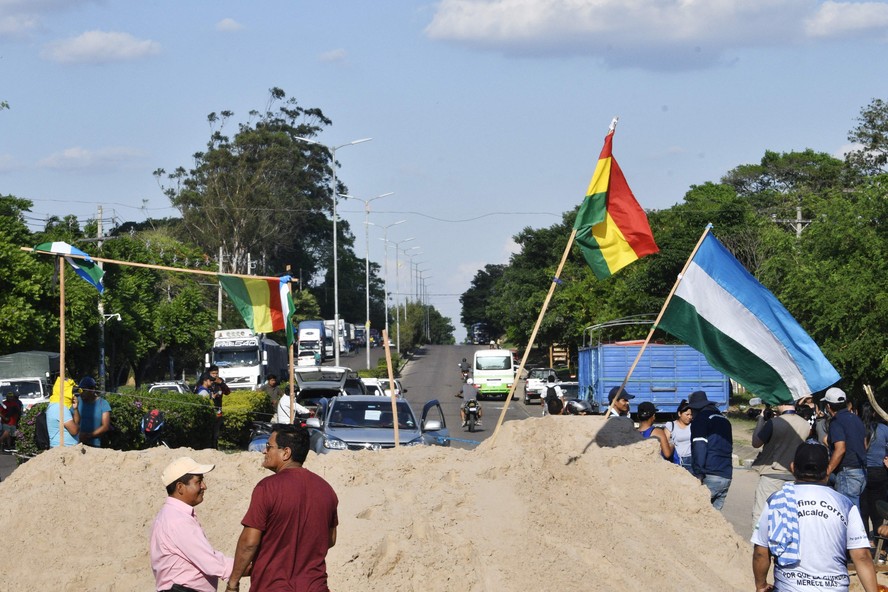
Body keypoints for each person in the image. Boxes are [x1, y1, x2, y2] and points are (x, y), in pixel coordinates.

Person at [751, 442, 877, 592]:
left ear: (792, 467)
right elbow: (862, 556)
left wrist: (761, 585)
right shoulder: (845, 504)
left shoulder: (777, 502)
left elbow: (761, 552)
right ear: (828, 469)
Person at [228, 424, 339, 592]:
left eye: (269, 446)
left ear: (286, 452)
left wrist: (233, 582)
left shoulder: (267, 488)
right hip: (315, 586)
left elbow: (249, 543)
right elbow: (330, 540)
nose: (264, 451)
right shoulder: (326, 490)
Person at [150, 456, 235, 592]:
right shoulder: (177, 519)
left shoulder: (170, 515)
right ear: (180, 487)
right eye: (198, 482)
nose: (204, 486)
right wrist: (251, 567)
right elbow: (210, 563)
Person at [750, 400, 811, 526]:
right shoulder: (805, 425)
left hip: (771, 474)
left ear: (781, 404)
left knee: (762, 514)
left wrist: (761, 419)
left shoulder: (774, 423)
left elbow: (756, 443)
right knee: (788, 515)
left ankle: (759, 544)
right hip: (793, 475)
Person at [824, 387, 867, 512]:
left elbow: (840, 448)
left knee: (847, 514)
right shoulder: (856, 419)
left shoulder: (836, 421)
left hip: (847, 473)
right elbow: (864, 444)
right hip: (861, 471)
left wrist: (828, 470)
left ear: (828, 406)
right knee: (854, 512)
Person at [689, 390, 733, 510]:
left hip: (710, 475)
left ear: (696, 408)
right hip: (726, 475)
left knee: (698, 515)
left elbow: (700, 447)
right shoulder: (724, 420)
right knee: (715, 521)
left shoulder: (701, 420)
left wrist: (698, 473)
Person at [860, 404, 888, 540]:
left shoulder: (859, 429)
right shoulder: (883, 429)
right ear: (875, 414)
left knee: (863, 510)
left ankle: (865, 541)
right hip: (880, 472)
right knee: (878, 509)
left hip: (862, 471)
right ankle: (879, 541)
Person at [77, 376, 111, 448]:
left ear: (92, 390)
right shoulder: (77, 402)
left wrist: (89, 436)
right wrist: (79, 435)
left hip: (95, 445)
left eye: (83, 390)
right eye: (80, 390)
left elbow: (105, 426)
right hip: (78, 443)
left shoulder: (103, 404)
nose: (81, 393)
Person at [47, 376, 79, 447]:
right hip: (62, 449)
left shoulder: (61, 406)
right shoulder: (59, 407)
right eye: (71, 392)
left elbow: (76, 423)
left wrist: (75, 409)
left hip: (68, 447)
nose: (73, 395)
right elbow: (74, 431)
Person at [665, 399, 693, 471]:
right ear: (679, 414)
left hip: (692, 459)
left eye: (691, 415)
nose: (689, 417)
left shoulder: (693, 425)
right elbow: (666, 444)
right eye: (687, 414)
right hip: (677, 460)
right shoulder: (671, 425)